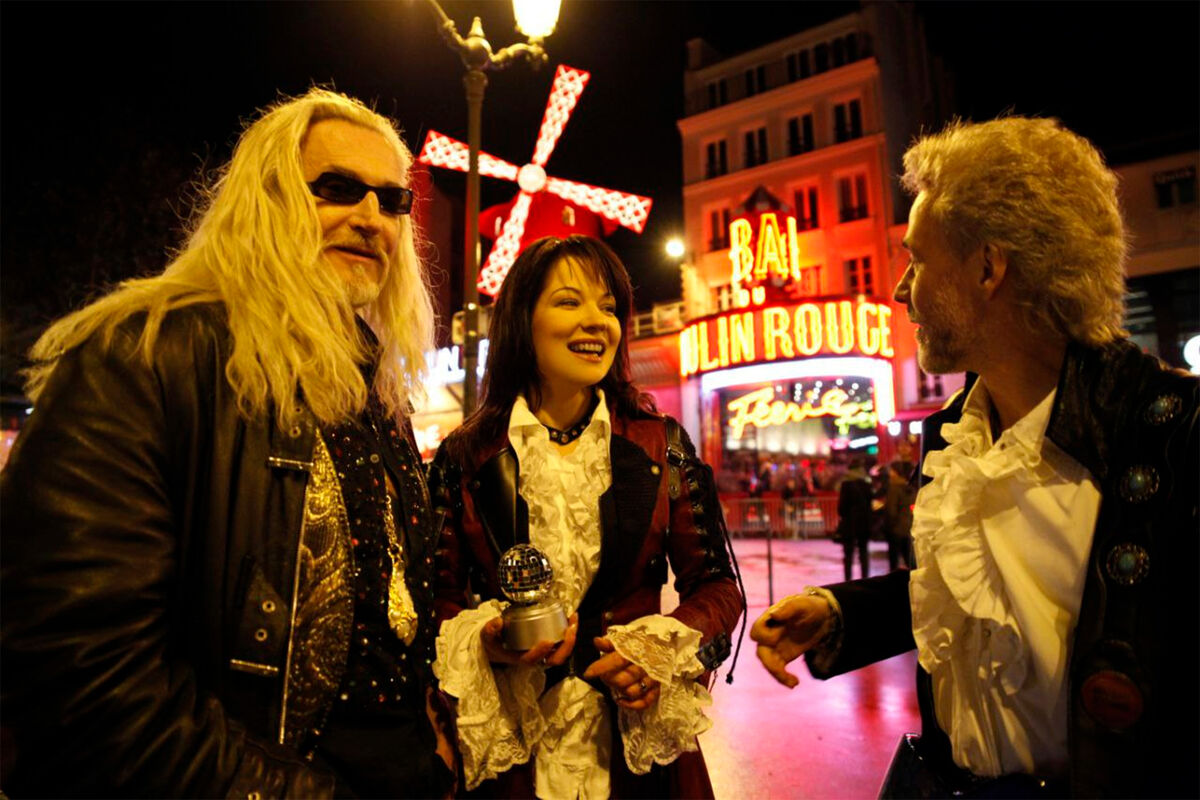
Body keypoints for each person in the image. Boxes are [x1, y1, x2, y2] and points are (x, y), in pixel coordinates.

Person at [0, 89, 457, 798]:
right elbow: (82, 681)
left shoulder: (380, 397)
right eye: (338, 188)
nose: (371, 219)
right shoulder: (144, 355)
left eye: (392, 201)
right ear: (266, 201)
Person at [750, 117, 1198, 798]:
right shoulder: (954, 431)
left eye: (917, 260)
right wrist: (843, 614)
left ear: (988, 268)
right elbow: (976, 595)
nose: (900, 289)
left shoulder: (1176, 436)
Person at [427, 235, 744, 799]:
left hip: (637, 759)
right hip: (514, 757)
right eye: (569, 301)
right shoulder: (464, 456)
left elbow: (718, 585)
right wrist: (484, 641)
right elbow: (434, 596)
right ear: (522, 320)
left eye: (609, 306)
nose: (597, 321)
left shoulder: (662, 443)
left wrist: (661, 654)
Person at [835, 458, 873, 580]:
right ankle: (865, 578)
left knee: (848, 555)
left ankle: (848, 580)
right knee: (863, 553)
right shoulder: (867, 485)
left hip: (849, 524)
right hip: (864, 523)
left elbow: (841, 508)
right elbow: (870, 504)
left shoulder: (846, 485)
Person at [882, 460, 915, 571]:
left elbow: (891, 510)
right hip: (907, 527)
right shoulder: (909, 487)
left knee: (894, 561)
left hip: (895, 529)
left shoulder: (894, 488)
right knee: (908, 559)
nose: (890, 473)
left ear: (896, 472)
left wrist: (888, 526)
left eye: (891, 470)